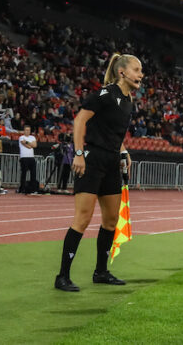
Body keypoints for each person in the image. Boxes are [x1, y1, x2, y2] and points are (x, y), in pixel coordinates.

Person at [54, 53, 140, 292]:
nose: (140, 75)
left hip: (112, 161)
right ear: (122, 72)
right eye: (136, 70)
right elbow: (80, 121)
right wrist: (79, 154)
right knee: (82, 219)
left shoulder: (128, 100)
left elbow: (113, 133)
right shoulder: (105, 94)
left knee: (112, 220)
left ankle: (101, 272)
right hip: (92, 159)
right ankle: (62, 276)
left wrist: (124, 152)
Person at [18, 124, 38, 194]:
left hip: (31, 157)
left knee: (33, 174)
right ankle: (22, 188)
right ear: (24, 131)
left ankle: (33, 189)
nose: (27, 131)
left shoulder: (33, 137)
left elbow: (34, 145)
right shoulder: (21, 137)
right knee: (24, 174)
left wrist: (27, 142)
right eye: (26, 130)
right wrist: (30, 144)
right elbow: (28, 146)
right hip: (24, 157)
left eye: (29, 130)